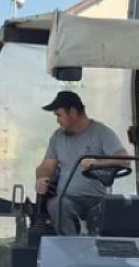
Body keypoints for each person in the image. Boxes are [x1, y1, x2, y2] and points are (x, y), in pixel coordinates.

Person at [34, 91, 129, 236]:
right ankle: (70, 249)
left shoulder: (102, 133)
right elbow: (47, 166)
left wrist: (98, 162)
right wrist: (41, 177)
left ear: (72, 112)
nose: (57, 120)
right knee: (56, 205)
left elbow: (124, 160)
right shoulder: (57, 137)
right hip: (67, 200)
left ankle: (99, 248)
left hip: (97, 200)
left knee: (116, 211)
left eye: (59, 115)